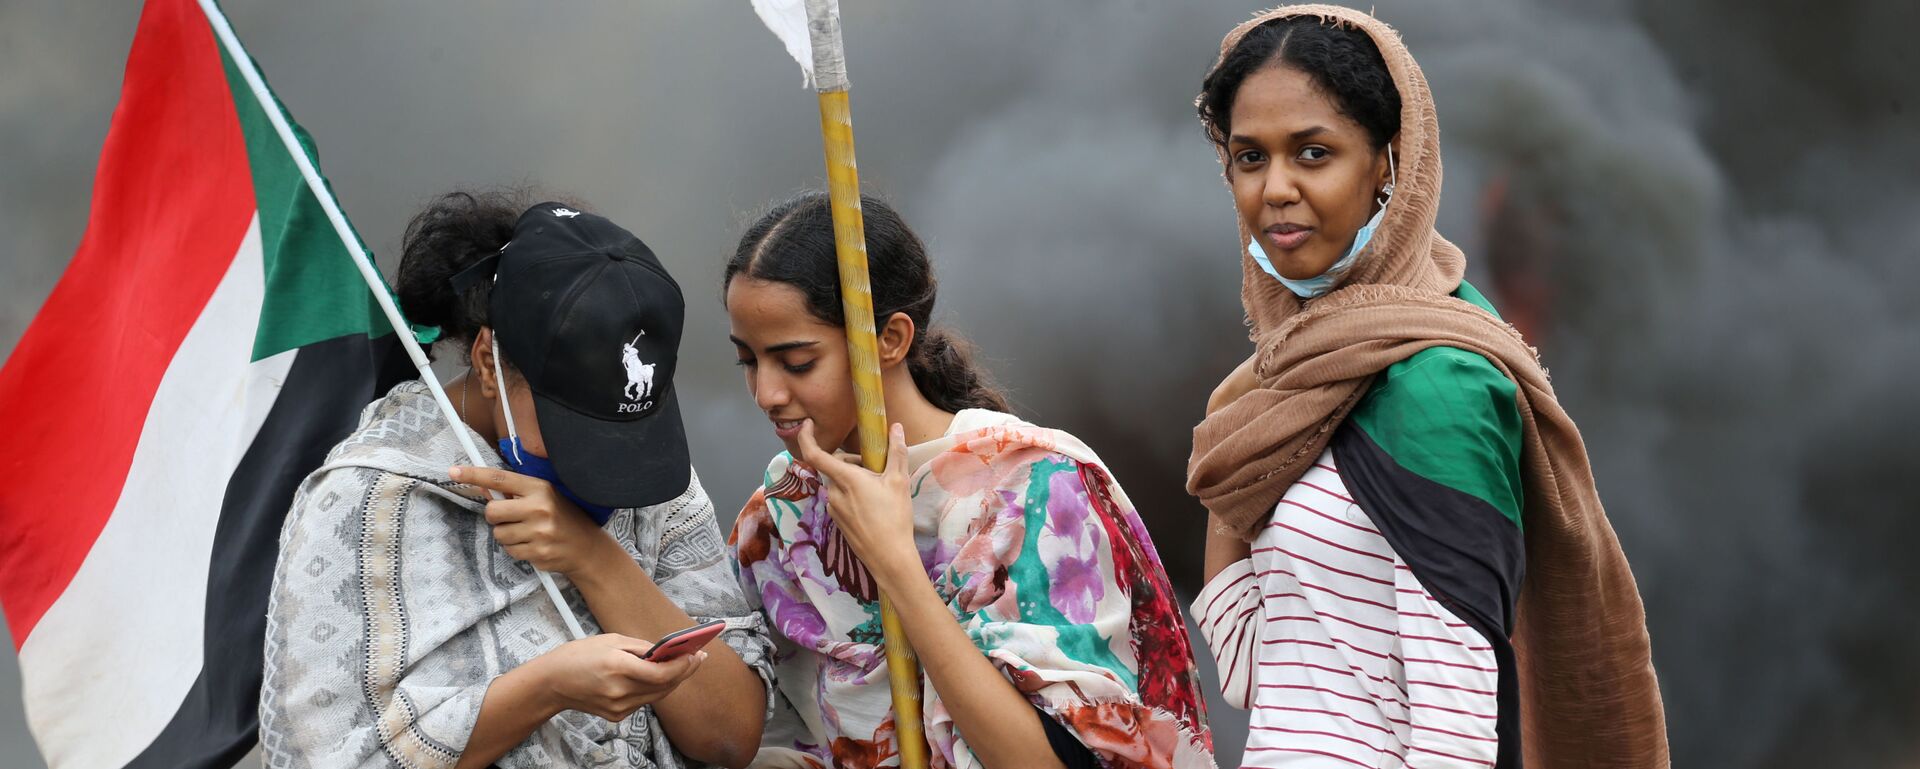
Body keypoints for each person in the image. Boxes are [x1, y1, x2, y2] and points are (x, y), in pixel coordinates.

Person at [1184, 7, 1669, 768]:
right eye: (1250, 158)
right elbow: (1254, 672)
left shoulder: (1441, 385)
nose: (1275, 188)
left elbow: (1457, 727)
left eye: (1313, 153)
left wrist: (1247, 423)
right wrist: (1239, 441)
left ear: (1389, 163)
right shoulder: (1283, 389)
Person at [260, 191, 772, 768]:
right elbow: (326, 757)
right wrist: (545, 688)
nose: (604, 465)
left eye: (618, 428)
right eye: (571, 425)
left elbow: (729, 737)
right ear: (486, 362)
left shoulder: (651, 477)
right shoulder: (365, 504)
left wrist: (595, 558)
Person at [723, 192, 1216, 769]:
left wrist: (897, 566)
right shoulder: (780, 516)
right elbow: (746, 734)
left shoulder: (1037, 488)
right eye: (749, 361)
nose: (767, 394)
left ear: (890, 339)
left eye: (797, 362)